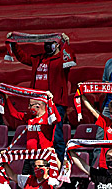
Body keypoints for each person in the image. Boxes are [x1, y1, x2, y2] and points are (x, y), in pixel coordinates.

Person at [8, 32, 73, 160]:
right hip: (37, 104)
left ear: (57, 45)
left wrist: (66, 45)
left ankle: (58, 167)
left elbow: (71, 59)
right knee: (37, 136)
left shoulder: (62, 59)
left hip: (55, 104)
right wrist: (14, 43)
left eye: (51, 43)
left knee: (57, 136)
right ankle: (40, 164)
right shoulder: (38, 59)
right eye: (46, 43)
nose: (47, 46)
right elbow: (22, 57)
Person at [79, 96, 112, 168]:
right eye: (111, 113)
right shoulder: (107, 123)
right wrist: (82, 96)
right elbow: (92, 110)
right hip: (104, 164)